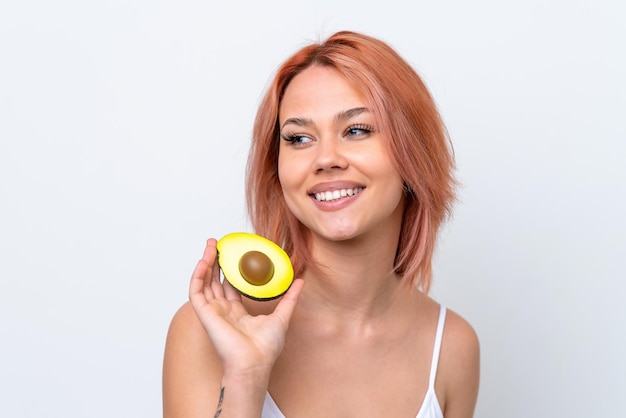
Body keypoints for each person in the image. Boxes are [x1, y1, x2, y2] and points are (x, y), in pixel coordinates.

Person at [163, 30, 480, 418]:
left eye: (357, 130)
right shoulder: (208, 331)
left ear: (412, 150)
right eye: (298, 138)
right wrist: (245, 376)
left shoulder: (452, 346)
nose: (325, 158)